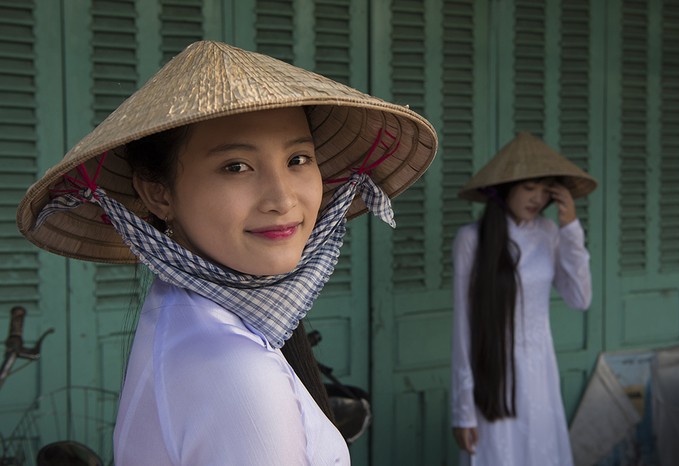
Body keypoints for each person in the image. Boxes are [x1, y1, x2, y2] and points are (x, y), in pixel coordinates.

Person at [16, 40, 438, 465]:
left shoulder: (185, 312)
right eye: (236, 166)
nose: (282, 199)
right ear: (158, 193)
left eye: (298, 158)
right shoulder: (235, 370)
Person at [450, 132, 597, 466]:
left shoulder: (548, 232)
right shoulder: (471, 240)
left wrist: (571, 227)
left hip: (541, 373)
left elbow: (580, 298)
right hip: (493, 378)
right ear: (504, 189)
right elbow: (463, 329)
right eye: (529, 188)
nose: (537, 198)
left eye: (545, 189)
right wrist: (463, 410)